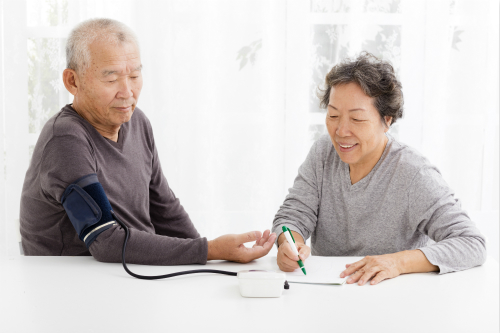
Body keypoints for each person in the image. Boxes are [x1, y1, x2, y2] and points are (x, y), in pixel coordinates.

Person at [20, 18, 276, 265]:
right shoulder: (66, 139)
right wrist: (208, 250)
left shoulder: (136, 121)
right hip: (74, 286)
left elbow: (165, 210)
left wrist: (212, 259)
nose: (128, 92)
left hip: (132, 273)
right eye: (111, 79)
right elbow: (105, 240)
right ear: (72, 81)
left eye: (134, 76)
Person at [273, 52, 486, 285]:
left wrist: (397, 262)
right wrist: (289, 243)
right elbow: (293, 215)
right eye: (333, 115)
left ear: (387, 120)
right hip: (327, 293)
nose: (341, 130)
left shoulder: (414, 174)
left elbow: (471, 243)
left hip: (393, 298)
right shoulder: (323, 153)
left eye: (357, 119)